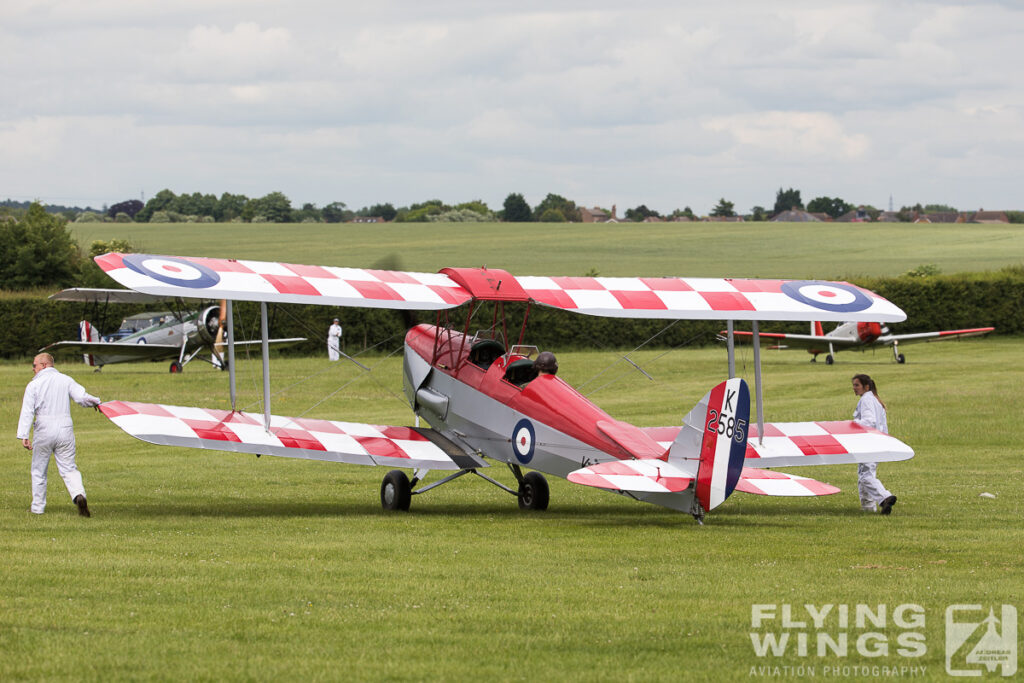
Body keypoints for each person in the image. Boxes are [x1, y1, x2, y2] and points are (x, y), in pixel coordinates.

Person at [17, 353, 101, 517]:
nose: (33, 369)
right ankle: (79, 495)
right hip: (65, 428)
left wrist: (24, 435)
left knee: (39, 469)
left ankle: (37, 507)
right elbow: (82, 397)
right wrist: (96, 402)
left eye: (35, 365)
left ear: (44, 365)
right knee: (69, 467)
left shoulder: (34, 385)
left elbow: (27, 411)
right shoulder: (65, 379)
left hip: (44, 428)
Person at [851, 373, 897, 515]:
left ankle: (884, 497)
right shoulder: (875, 400)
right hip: (878, 442)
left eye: (857, 385)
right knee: (865, 475)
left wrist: (851, 424)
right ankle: (869, 509)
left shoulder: (866, 400)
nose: (854, 388)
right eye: (853, 385)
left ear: (866, 386)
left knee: (865, 476)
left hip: (869, 442)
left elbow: (868, 421)